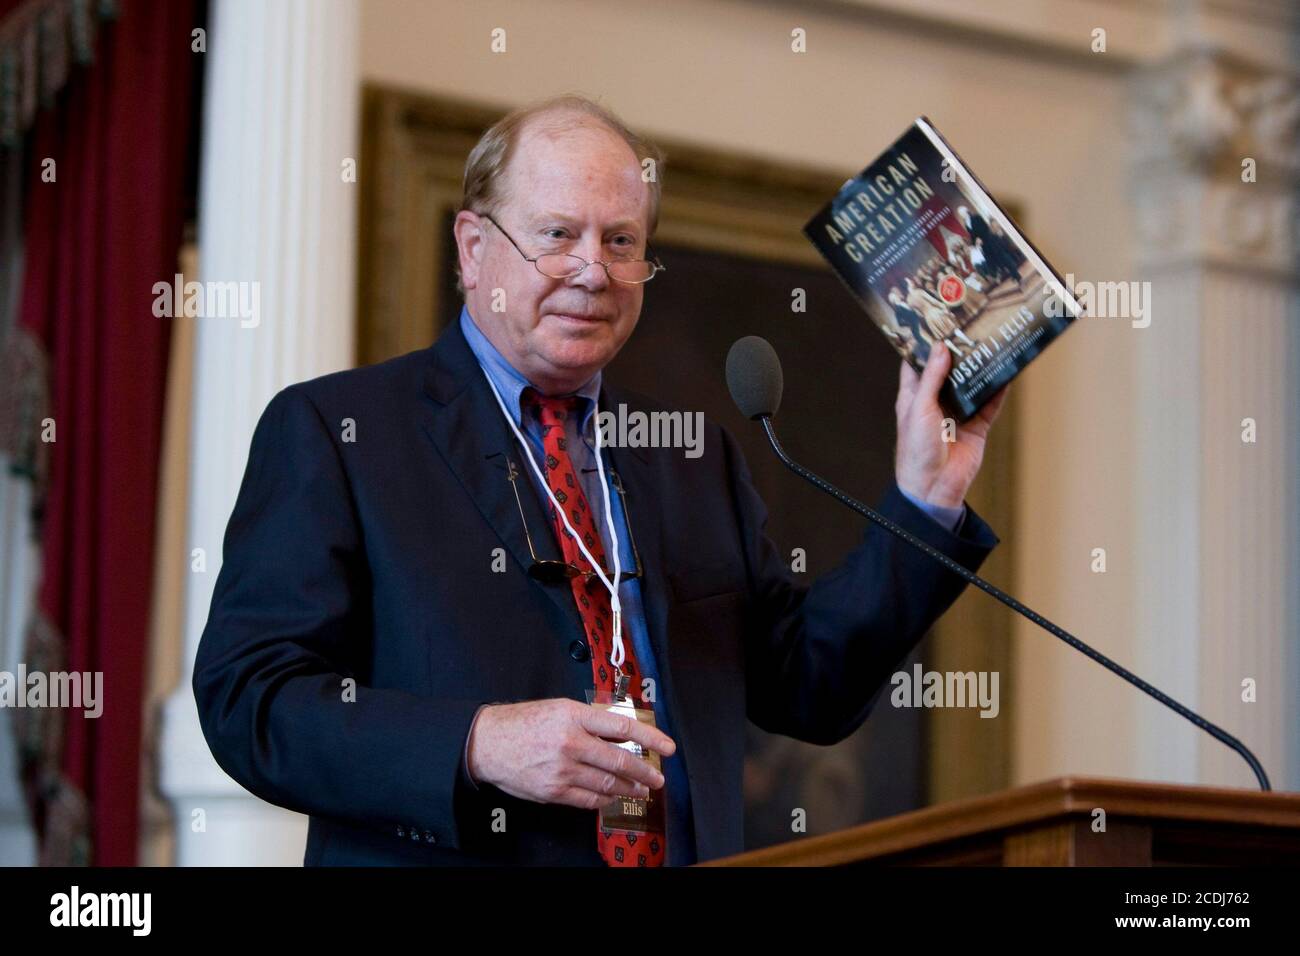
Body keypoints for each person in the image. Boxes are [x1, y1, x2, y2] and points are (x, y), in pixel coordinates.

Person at [192, 94, 1008, 867]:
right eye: (556, 234)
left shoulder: (692, 458)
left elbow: (810, 688)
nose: (593, 271)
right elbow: (250, 701)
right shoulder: (341, 433)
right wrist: (478, 742)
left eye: (621, 242)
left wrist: (923, 501)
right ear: (474, 250)